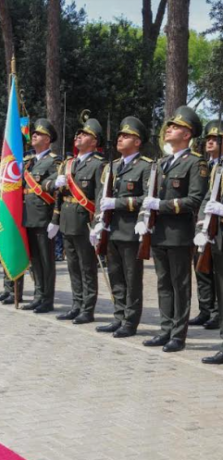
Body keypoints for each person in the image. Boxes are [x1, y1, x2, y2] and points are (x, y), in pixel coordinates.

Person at [138, 105, 208, 353]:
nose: (169, 129)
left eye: (176, 126)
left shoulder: (195, 163)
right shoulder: (163, 162)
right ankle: (165, 329)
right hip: (158, 233)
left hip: (179, 234)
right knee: (163, 283)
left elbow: (194, 200)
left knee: (179, 284)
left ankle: (178, 334)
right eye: (170, 126)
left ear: (187, 134)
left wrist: (162, 205)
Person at [91, 116, 152, 338]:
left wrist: (118, 203)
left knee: (131, 278)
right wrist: (98, 222)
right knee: (115, 275)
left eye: (126, 136)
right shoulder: (112, 166)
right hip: (111, 229)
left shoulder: (146, 166)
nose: (120, 138)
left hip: (130, 230)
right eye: (119, 135)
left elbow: (147, 198)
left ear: (137, 142)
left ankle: (130, 320)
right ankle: (118, 316)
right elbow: (101, 196)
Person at [50, 118, 105, 325]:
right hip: (66, 220)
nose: (78, 137)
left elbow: (99, 197)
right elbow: (59, 196)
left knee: (87, 267)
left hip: (84, 222)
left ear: (94, 141)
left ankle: (87, 308)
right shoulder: (68, 164)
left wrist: (99, 223)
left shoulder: (98, 165)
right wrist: (55, 219)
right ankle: (76, 304)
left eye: (84, 134)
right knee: (73, 265)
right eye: (78, 134)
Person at [21, 119, 61, 314]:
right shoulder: (29, 163)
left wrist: (55, 219)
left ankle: (47, 298)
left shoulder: (54, 161)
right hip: (28, 216)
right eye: (34, 133)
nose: (34, 135)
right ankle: (38, 295)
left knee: (46, 260)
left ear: (47, 139)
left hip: (44, 217)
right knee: (34, 259)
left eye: (39, 134)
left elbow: (54, 188)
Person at [190, 121, 223, 331]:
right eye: (208, 140)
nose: (210, 143)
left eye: (216, 140)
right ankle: (205, 308)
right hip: (200, 224)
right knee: (200, 266)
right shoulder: (203, 165)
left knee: (217, 271)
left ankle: (218, 313)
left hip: (218, 226)